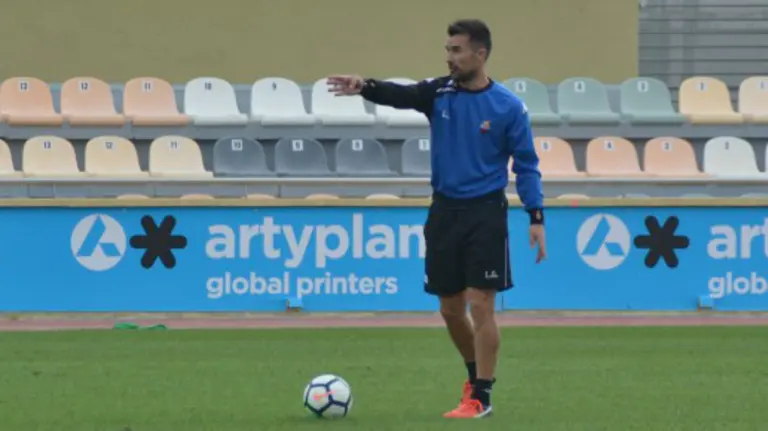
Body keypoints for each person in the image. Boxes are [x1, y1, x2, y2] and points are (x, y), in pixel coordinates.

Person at [327, 18, 547, 419]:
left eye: (457, 50)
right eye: (448, 50)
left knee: (481, 305)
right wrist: (365, 86)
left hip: (486, 212)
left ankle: (482, 394)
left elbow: (527, 164)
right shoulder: (439, 94)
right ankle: (472, 375)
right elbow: (402, 94)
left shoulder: (507, 107)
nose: (450, 57)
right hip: (444, 212)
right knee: (450, 309)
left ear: (480, 54)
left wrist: (536, 215)